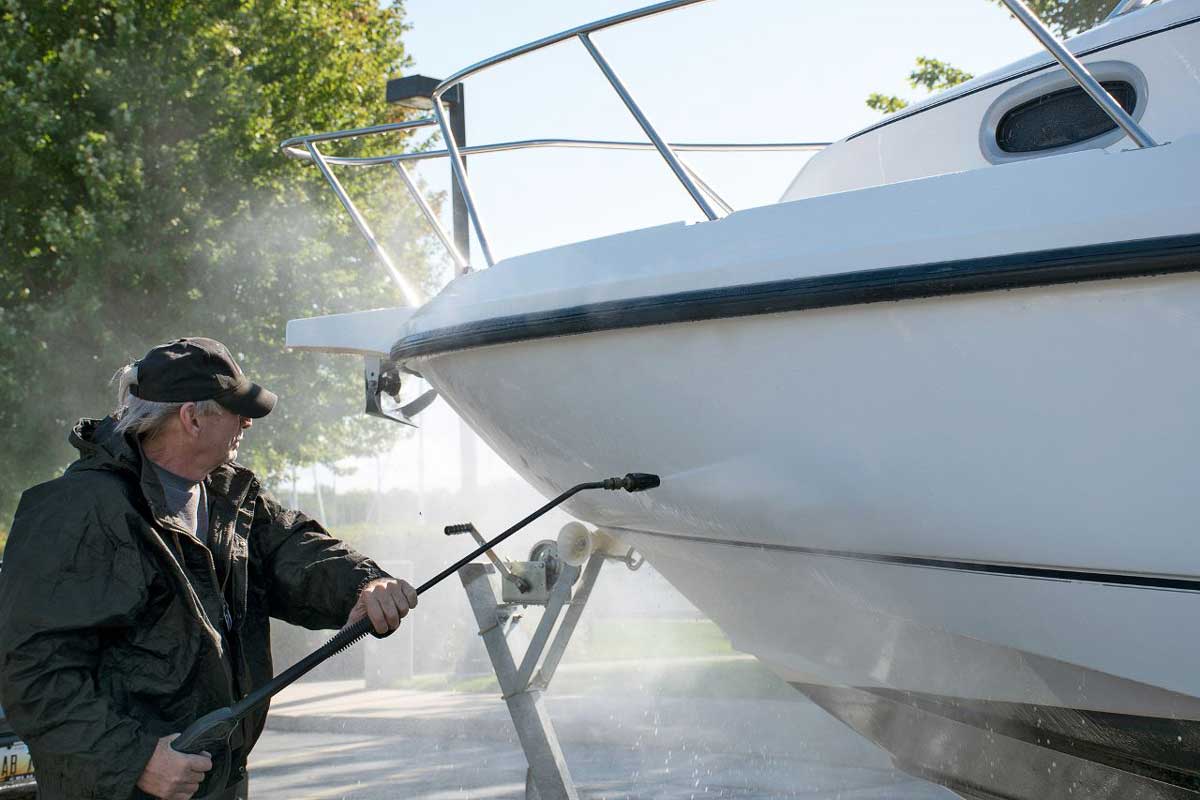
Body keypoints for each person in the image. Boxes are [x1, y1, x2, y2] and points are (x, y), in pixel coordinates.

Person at [0, 337, 417, 800]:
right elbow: (32, 673)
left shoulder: (229, 498)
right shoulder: (75, 511)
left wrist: (365, 583)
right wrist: (136, 760)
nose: (247, 422)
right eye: (236, 409)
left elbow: (294, 550)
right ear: (192, 417)